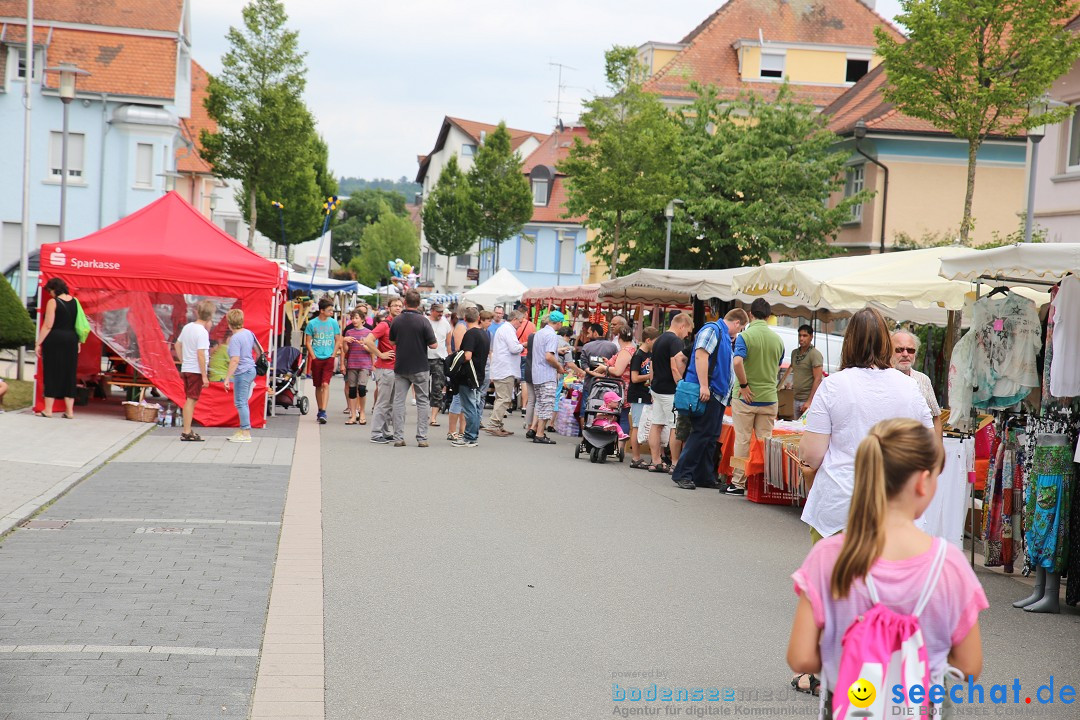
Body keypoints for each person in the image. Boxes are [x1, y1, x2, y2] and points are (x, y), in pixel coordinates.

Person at [787, 419, 987, 705]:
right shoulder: (949, 564)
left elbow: (801, 656)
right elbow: (968, 667)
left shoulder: (828, 557)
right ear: (922, 483)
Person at [799, 307, 934, 543]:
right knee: (888, 579)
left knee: (837, 578)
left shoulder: (833, 386)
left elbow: (811, 454)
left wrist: (807, 467)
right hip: (895, 506)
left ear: (848, 342)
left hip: (841, 504)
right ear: (885, 343)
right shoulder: (909, 387)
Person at [672, 309, 747, 490]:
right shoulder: (713, 330)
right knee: (701, 433)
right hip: (709, 391)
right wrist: (704, 385)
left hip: (717, 394)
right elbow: (700, 355)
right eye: (741, 328)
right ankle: (683, 473)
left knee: (710, 435)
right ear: (736, 323)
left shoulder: (722, 334)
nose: (739, 332)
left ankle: (703, 475)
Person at [727, 299, 787, 495]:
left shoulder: (745, 336)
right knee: (765, 442)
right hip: (769, 398)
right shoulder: (778, 340)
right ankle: (763, 482)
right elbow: (777, 366)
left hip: (745, 397)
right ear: (769, 317)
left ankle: (738, 482)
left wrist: (744, 385)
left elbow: (737, 362)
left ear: (751, 314)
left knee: (743, 440)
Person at [389, 290, 438, 447]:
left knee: (399, 401)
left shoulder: (397, 320)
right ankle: (422, 437)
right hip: (420, 366)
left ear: (405, 302)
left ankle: (398, 437)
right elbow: (433, 344)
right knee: (423, 401)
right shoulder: (423, 321)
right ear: (419, 304)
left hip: (401, 365)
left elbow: (392, 342)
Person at [646, 313, 694, 473]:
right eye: (687, 331)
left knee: (656, 424)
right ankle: (675, 463)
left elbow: (652, 366)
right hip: (670, 390)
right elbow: (677, 363)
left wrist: (652, 385)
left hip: (657, 388)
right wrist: (681, 383)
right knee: (675, 427)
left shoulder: (658, 339)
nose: (686, 335)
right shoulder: (675, 341)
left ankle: (655, 460)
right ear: (682, 325)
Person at [35, 277, 81, 419]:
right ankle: (70, 411)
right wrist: (78, 341)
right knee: (69, 373)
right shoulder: (75, 301)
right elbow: (78, 323)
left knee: (52, 372)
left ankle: (48, 410)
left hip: (55, 339)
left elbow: (48, 325)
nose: (50, 294)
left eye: (50, 291)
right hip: (72, 339)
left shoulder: (53, 302)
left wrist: (38, 343)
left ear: (54, 289)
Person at [174, 299, 216, 441]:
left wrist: (182, 360)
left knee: (190, 399)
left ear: (197, 312)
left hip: (187, 367)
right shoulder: (202, 333)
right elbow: (201, 354)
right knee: (191, 400)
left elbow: (177, 345)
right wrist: (204, 375)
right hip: (195, 370)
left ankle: (188, 429)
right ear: (210, 316)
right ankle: (187, 431)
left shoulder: (188, 327)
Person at [892, 330, 943, 438]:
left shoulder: (923, 379)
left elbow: (935, 417)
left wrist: (938, 450)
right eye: (899, 350)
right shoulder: (881, 379)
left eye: (910, 350)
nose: (905, 354)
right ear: (888, 352)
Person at [365, 297, 403, 444]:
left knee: (391, 403)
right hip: (386, 368)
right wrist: (380, 354)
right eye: (395, 306)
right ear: (389, 308)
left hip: (396, 368)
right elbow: (368, 340)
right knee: (383, 402)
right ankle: (375, 434)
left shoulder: (398, 324)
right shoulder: (384, 325)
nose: (398, 308)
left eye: (400, 306)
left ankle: (385, 431)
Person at [454, 308, 492, 448]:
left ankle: (470, 437)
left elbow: (467, 355)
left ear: (465, 318)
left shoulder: (470, 334)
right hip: (480, 374)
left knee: (469, 407)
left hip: (469, 374)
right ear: (478, 318)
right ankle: (472, 436)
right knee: (475, 406)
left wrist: (456, 359)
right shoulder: (484, 334)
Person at [528, 310, 567, 445]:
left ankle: (536, 430)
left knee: (540, 403)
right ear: (559, 322)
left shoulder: (540, 333)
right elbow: (549, 356)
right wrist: (559, 367)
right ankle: (540, 433)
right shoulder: (552, 335)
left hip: (537, 372)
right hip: (547, 373)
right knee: (548, 403)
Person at [484, 309, 526, 437]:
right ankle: (493, 424)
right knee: (504, 398)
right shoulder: (508, 329)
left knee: (501, 398)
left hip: (502, 368)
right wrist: (524, 345)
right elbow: (514, 348)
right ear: (514, 320)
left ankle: (498, 424)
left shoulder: (505, 328)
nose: (521, 324)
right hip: (505, 369)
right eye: (520, 321)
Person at [304, 298, 342, 425]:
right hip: (317, 357)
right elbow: (307, 342)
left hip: (329, 358)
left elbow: (338, 339)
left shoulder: (333, 323)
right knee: (318, 385)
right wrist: (313, 356)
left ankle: (324, 411)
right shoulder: (312, 324)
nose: (332, 312)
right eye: (329, 310)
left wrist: (333, 355)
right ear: (321, 311)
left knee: (325, 384)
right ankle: (320, 409)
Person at [222, 309, 258, 443]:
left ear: (229, 323)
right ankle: (244, 429)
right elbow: (258, 351)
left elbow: (235, 360)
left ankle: (245, 432)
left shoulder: (235, 338)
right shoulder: (248, 333)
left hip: (242, 371)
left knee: (240, 402)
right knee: (244, 401)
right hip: (251, 369)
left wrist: (227, 378)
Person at [627, 327, 659, 468]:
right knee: (636, 425)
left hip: (647, 394)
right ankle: (635, 457)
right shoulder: (638, 356)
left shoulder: (650, 355)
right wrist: (650, 376)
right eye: (655, 341)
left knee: (645, 424)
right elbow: (634, 378)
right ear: (648, 340)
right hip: (638, 394)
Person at [778, 324, 824, 418]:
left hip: (807, 399)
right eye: (800, 335)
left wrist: (809, 401)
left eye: (805, 335)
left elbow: (818, 379)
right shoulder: (795, 353)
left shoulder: (814, 354)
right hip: (796, 398)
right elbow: (795, 371)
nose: (801, 338)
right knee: (796, 428)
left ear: (811, 337)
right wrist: (789, 384)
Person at [341, 309, 373, 425]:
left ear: (362, 320)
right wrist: (344, 341)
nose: (354, 320)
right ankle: (353, 415)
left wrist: (365, 346)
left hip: (364, 364)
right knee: (352, 390)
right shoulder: (349, 332)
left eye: (356, 318)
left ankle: (362, 412)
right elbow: (346, 351)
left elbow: (372, 350)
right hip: (352, 364)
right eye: (352, 318)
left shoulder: (369, 332)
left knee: (362, 389)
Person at [445, 310, 470, 442]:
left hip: (461, 365)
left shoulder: (461, 326)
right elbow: (461, 350)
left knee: (462, 399)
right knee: (457, 398)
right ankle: (452, 431)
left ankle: (461, 430)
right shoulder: (461, 326)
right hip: (459, 366)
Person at [427, 303, 453, 428]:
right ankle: (424, 413)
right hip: (424, 358)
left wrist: (450, 357)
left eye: (442, 312)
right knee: (423, 387)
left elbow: (448, 344)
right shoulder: (425, 322)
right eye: (438, 312)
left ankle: (433, 417)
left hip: (439, 359)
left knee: (438, 387)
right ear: (432, 311)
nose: (441, 314)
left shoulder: (446, 324)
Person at [515, 310, 536, 418]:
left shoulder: (515, 325)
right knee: (524, 381)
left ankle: (509, 406)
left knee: (512, 380)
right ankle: (524, 406)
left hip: (516, 354)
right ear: (527, 314)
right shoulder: (532, 326)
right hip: (527, 354)